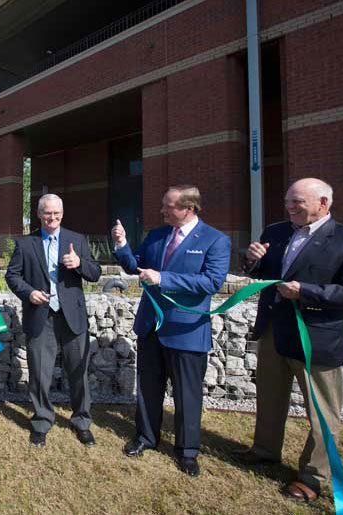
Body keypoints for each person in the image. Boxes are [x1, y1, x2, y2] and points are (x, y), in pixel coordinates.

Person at [233, 178, 343, 502]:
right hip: (273, 332)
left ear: (324, 203)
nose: (290, 208)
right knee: (269, 398)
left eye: (297, 202)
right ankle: (264, 451)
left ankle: (313, 478)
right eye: (288, 202)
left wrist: (307, 292)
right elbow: (260, 273)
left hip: (316, 340)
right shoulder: (276, 231)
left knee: (322, 413)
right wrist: (252, 260)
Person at [111, 185, 230, 477]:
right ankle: (146, 437)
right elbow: (135, 267)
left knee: (187, 395)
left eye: (168, 206)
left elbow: (211, 282)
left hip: (186, 329)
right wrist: (122, 245)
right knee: (149, 388)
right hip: (151, 327)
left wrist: (164, 278)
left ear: (188, 209)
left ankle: (187, 451)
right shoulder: (157, 235)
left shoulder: (215, 240)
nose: (162, 210)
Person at [5, 194, 101, 448]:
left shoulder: (76, 240)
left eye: (57, 213)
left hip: (72, 317)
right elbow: (12, 276)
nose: (53, 217)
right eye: (48, 213)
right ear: (39, 214)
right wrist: (29, 293)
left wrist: (80, 263)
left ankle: (82, 421)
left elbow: (95, 273)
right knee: (40, 373)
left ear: (62, 213)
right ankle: (42, 421)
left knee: (78, 373)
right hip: (41, 317)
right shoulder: (26, 244)